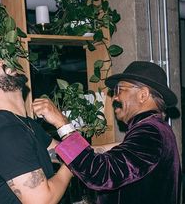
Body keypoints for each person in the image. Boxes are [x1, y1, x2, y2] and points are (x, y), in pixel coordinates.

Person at [32, 61, 182, 204]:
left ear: (143, 95)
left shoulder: (151, 133)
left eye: (119, 90)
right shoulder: (153, 130)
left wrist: (62, 123)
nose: (114, 97)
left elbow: (101, 174)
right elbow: (104, 159)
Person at [0, 60, 73, 204]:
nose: (1, 61)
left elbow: (68, 153)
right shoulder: (6, 134)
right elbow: (42, 201)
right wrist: (72, 165)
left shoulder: (24, 124)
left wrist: (108, 151)